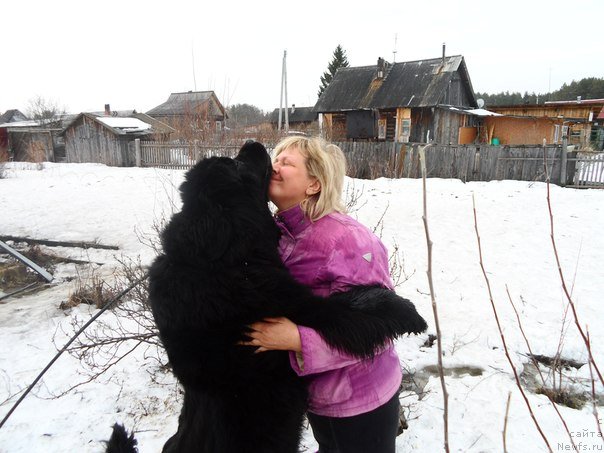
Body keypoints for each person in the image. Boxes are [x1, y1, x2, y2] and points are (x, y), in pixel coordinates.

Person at [244, 136, 402, 453]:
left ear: (314, 184)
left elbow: (378, 329)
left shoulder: (348, 241)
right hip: (319, 396)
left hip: (360, 400)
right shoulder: (283, 234)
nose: (273, 168)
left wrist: (297, 339)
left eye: (285, 162)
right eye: (275, 160)